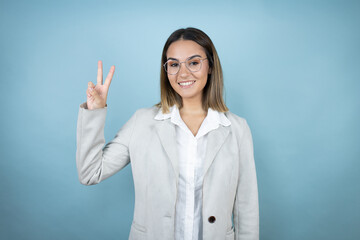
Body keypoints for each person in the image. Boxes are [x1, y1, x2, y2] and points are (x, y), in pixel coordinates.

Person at [76, 27, 259, 240]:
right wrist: (95, 111)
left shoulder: (237, 129)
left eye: (193, 62)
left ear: (210, 66)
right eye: (173, 64)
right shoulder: (142, 122)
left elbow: (246, 209)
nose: (183, 73)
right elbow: (90, 173)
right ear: (166, 71)